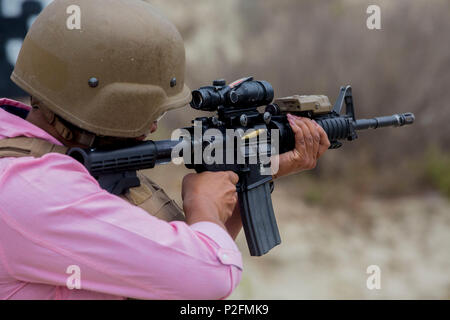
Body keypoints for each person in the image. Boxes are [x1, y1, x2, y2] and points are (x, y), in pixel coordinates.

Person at [0, 0, 330, 300]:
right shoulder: (33, 190)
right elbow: (210, 277)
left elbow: (173, 278)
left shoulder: (34, 152)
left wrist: (252, 176)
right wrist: (202, 202)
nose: (154, 128)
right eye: (151, 113)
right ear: (102, 106)